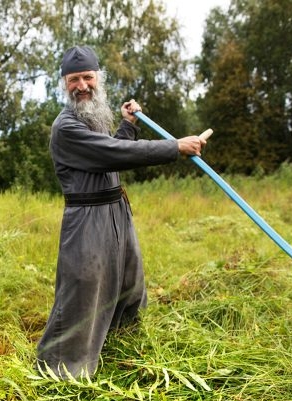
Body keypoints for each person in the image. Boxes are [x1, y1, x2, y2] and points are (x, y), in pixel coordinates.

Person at [36, 45, 207, 379]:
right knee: (83, 291)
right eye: (74, 80)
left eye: (87, 77)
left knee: (129, 282)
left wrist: (128, 124)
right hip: (87, 220)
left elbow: (112, 151)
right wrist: (174, 147)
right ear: (64, 84)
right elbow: (113, 153)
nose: (82, 85)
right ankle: (61, 367)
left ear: (98, 78)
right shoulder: (66, 127)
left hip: (116, 212)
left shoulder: (93, 117)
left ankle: (121, 344)